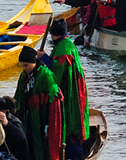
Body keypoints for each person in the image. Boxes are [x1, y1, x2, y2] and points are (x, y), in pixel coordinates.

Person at [14, 46, 63, 160]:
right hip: (28, 115)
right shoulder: (24, 75)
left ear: (34, 62)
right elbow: (19, 96)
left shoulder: (46, 75)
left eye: (26, 65)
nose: (24, 68)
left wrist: (48, 123)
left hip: (42, 116)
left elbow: (54, 100)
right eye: (22, 65)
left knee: (42, 144)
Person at [50, 20, 90, 160]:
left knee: (72, 124)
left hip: (71, 92)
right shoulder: (67, 44)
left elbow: (58, 70)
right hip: (73, 89)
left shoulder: (64, 48)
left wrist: (43, 59)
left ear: (53, 34)